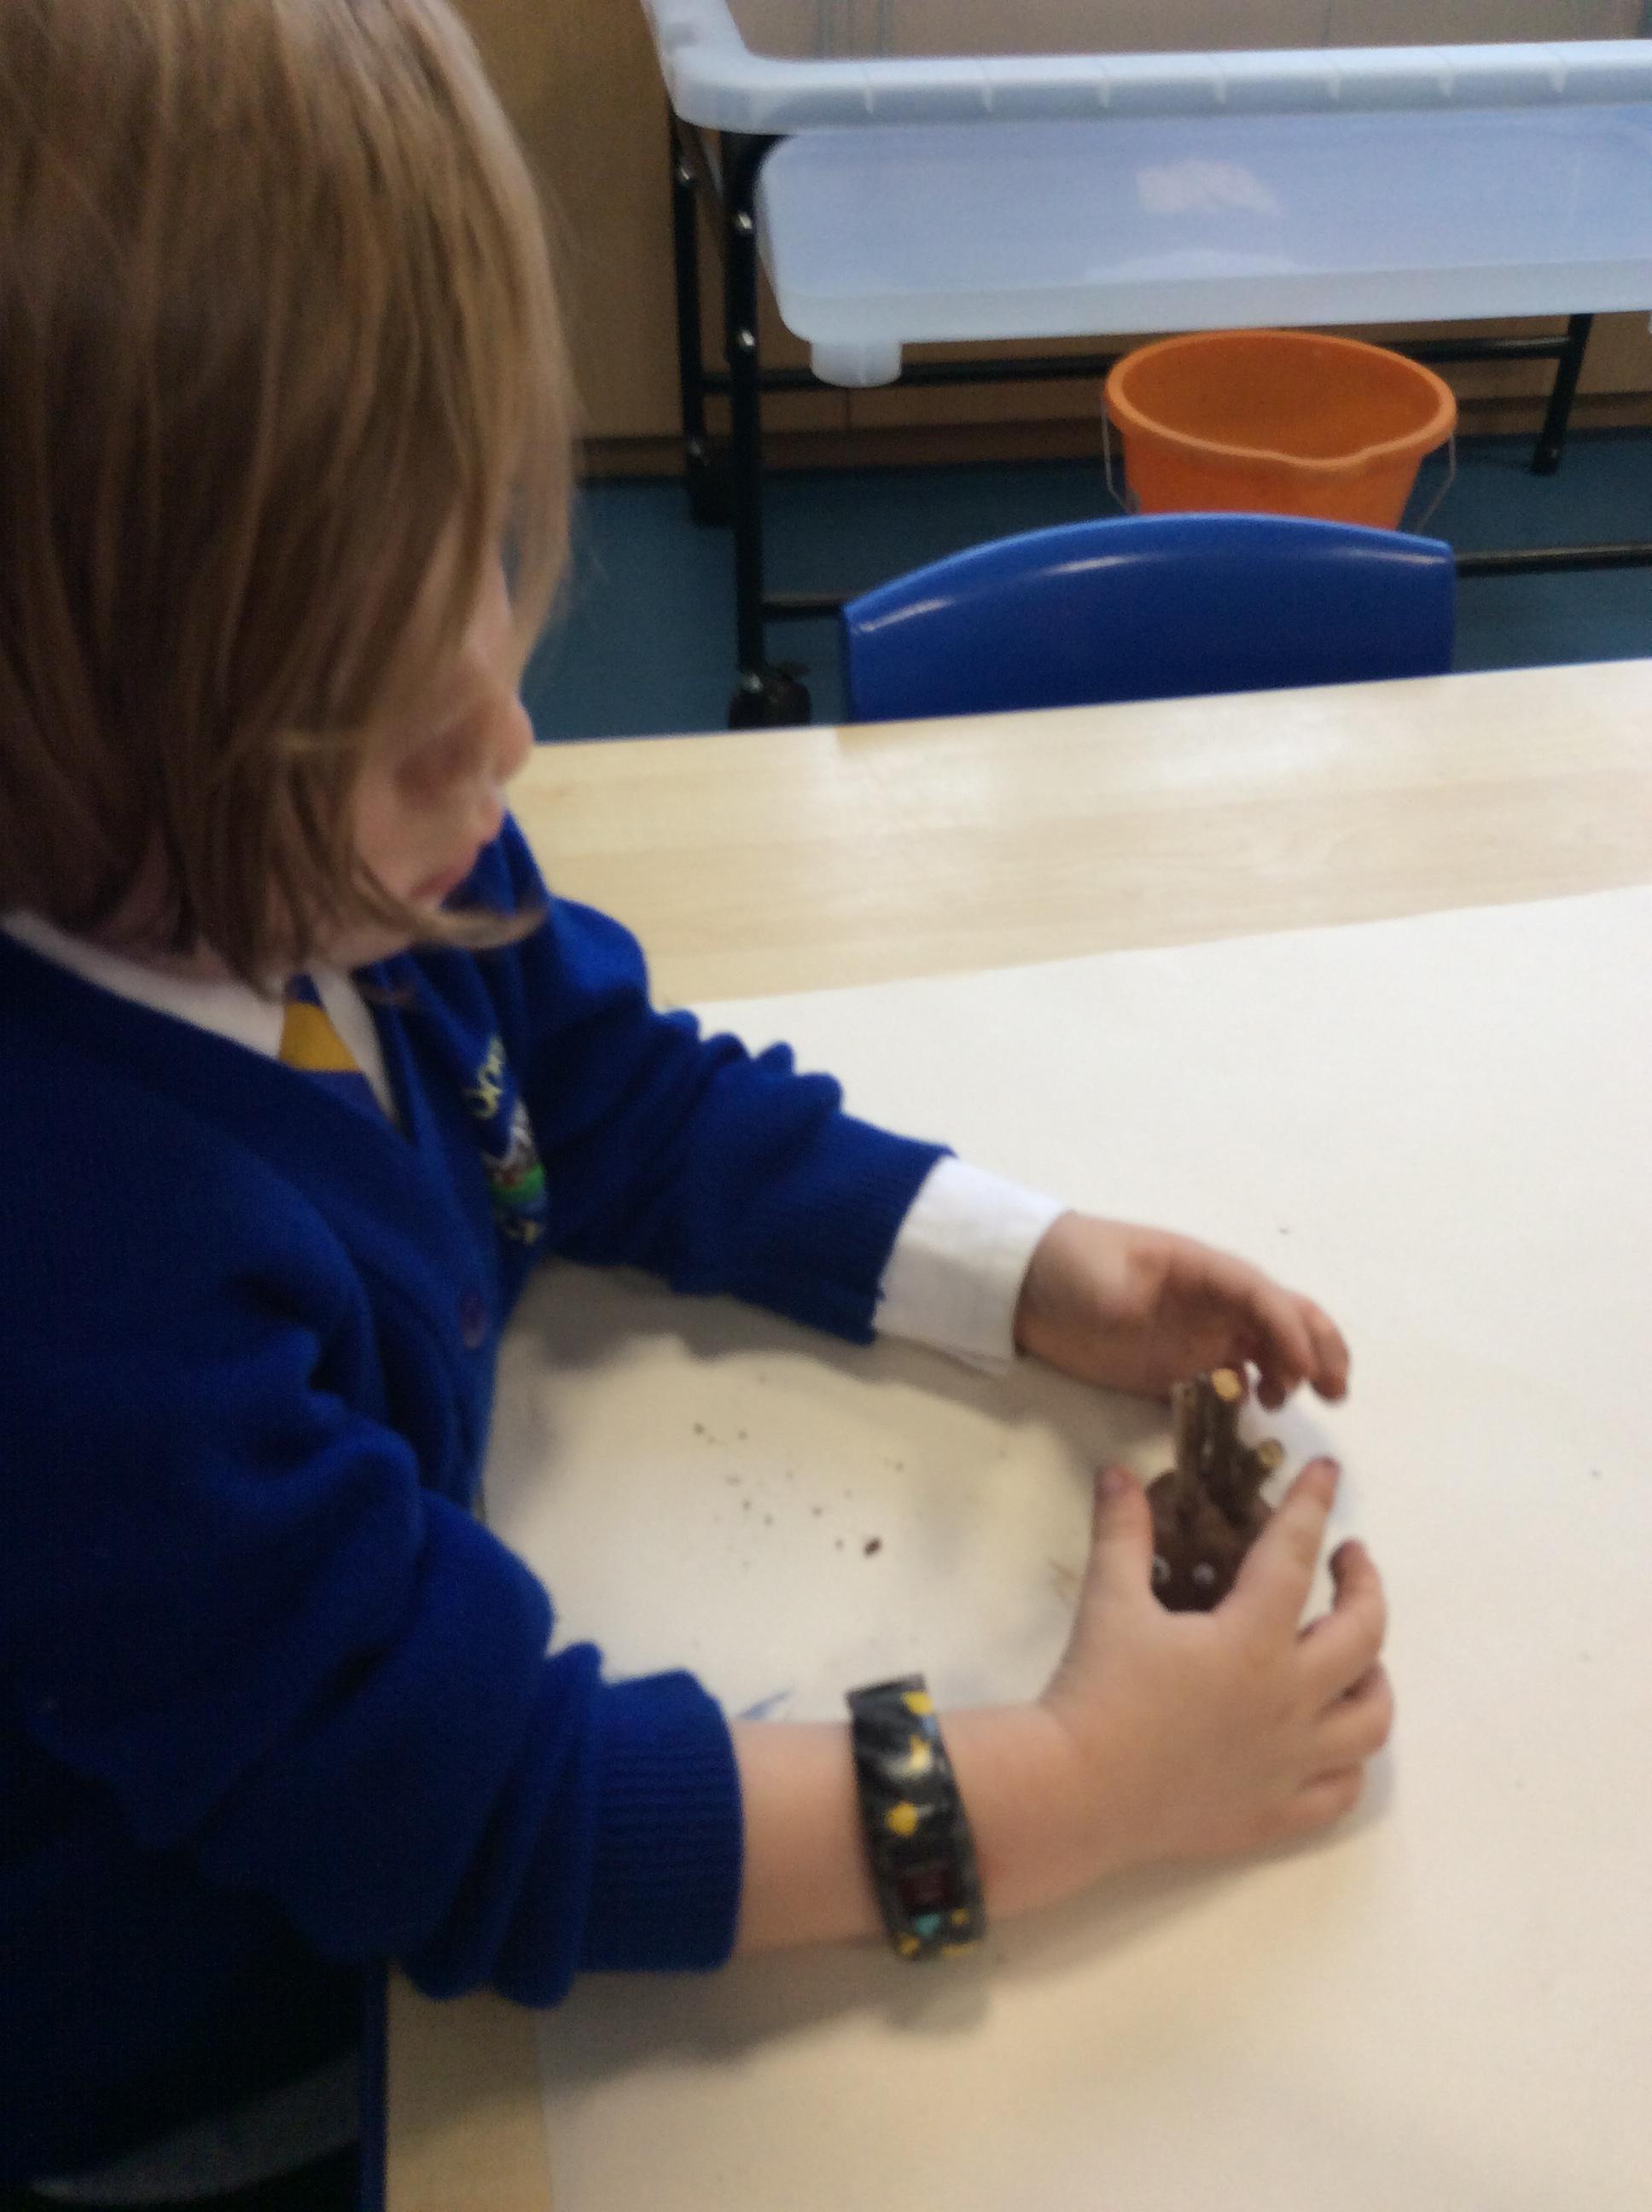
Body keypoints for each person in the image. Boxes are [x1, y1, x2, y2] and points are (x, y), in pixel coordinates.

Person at [0, 1, 1392, 2203]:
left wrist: (1027, 1268)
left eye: (484, 573)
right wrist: (1082, 1787)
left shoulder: (356, 877)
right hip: (235, 2071)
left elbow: (608, 1095)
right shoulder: (79, 1293)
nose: (508, 749)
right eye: (390, 725)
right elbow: (493, 1819)